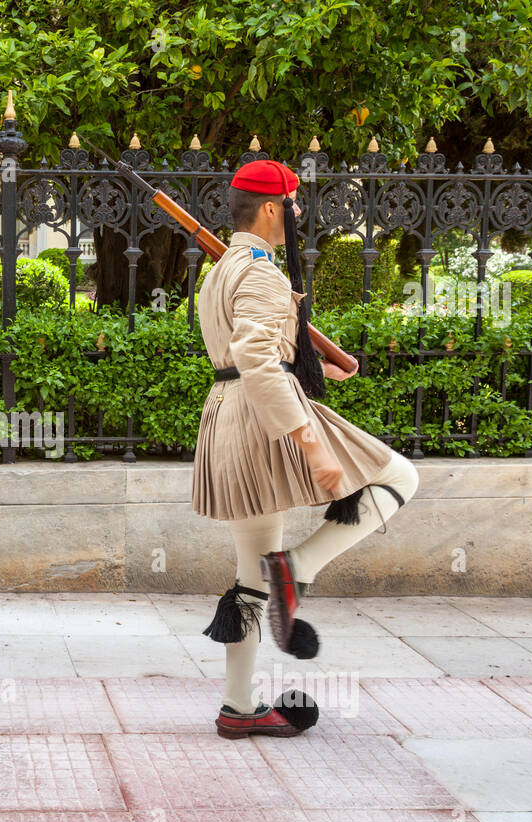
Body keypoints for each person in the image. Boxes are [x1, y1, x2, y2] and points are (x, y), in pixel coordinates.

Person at [191, 159, 420, 738]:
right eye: (292, 204)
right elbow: (258, 361)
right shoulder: (263, 273)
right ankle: (297, 567)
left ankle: (237, 709)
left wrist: (316, 366)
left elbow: (251, 351)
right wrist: (310, 442)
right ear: (271, 209)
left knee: (249, 579)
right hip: (260, 416)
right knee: (398, 478)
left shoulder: (222, 271)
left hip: (225, 415)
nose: (296, 213)